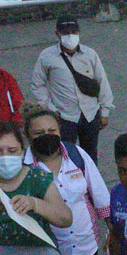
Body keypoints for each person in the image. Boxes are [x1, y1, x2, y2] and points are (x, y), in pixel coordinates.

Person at [23, 107, 111, 255]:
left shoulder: (76, 155)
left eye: (52, 131)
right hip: (50, 253)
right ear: (28, 136)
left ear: (59, 131)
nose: (46, 136)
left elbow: (100, 194)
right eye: (39, 133)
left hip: (87, 246)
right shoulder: (23, 168)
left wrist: (113, 231)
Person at [31, 15, 114, 164]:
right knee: (64, 156)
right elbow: (38, 84)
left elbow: (102, 82)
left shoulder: (90, 54)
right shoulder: (47, 56)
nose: (70, 36)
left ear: (79, 32)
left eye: (73, 32)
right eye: (65, 32)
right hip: (64, 116)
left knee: (90, 156)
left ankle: (89, 179)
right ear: (57, 33)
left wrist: (105, 111)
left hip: (90, 114)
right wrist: (50, 108)